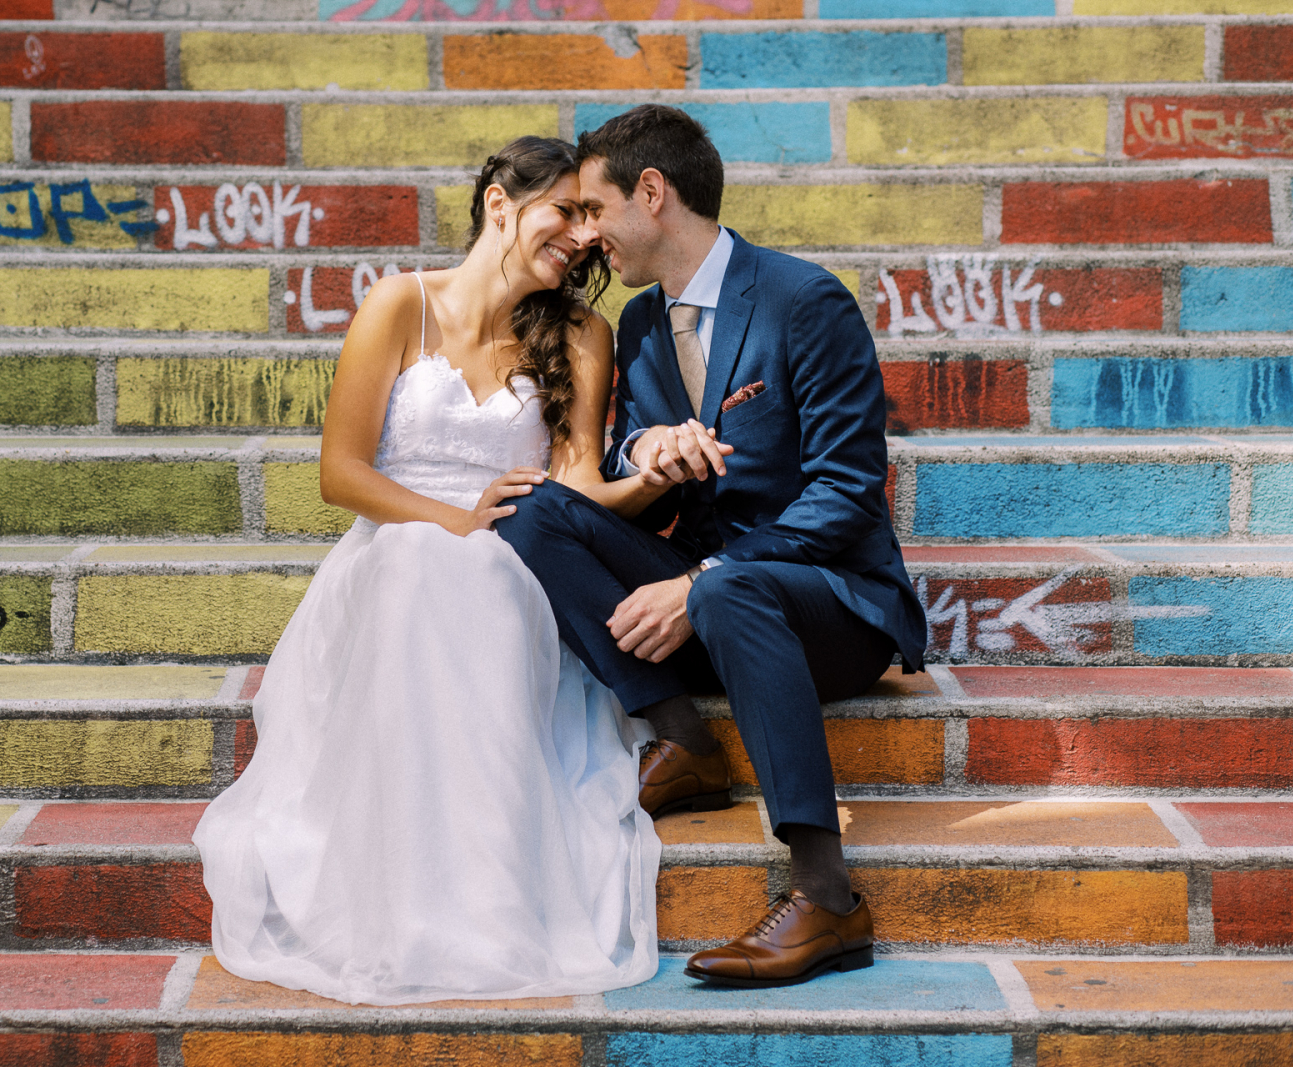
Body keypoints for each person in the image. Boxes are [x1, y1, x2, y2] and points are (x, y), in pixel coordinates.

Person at [193, 136, 677, 1006]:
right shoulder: (398, 305)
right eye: (563, 210)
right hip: (394, 556)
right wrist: (454, 522)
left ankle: (487, 902)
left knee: (477, 573)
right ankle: (401, 906)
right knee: (422, 561)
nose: (580, 234)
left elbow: (577, 493)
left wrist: (652, 478)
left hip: (513, 570)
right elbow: (341, 473)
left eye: (588, 216)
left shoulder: (580, 334)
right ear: (501, 204)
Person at [496, 106, 929, 989]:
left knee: (731, 590)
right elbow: (621, 448)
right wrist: (641, 454)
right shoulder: (646, 326)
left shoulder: (803, 300)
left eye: (593, 208)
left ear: (651, 194)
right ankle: (682, 739)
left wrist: (700, 581)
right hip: (708, 594)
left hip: (828, 604)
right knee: (535, 513)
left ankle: (827, 896)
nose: (587, 236)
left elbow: (847, 495)